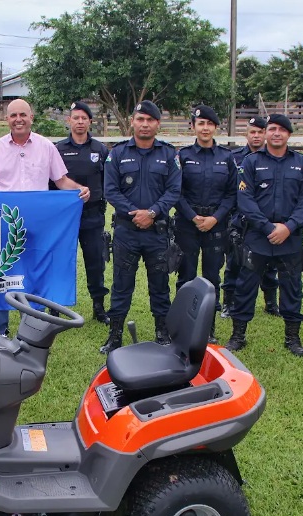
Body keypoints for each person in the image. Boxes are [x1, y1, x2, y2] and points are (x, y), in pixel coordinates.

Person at [0, 98, 90, 335]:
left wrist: (79, 189)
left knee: (34, 273)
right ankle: (0, 330)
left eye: (23, 114)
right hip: (5, 224)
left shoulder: (46, 147)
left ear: (31, 117)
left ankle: (31, 327)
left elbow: (61, 180)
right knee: (0, 274)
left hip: (38, 226)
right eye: (13, 115)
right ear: (7, 119)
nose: (18, 119)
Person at [226, 114, 303, 356]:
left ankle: (292, 338)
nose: (276, 133)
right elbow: (245, 199)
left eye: (282, 130)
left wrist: (288, 227)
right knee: (245, 286)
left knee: (292, 287)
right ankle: (238, 335)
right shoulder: (251, 162)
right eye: (272, 128)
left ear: (289, 134)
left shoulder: (301, 163)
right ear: (265, 133)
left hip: (290, 238)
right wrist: (267, 227)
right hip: (257, 236)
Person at [100, 100, 181, 353]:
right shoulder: (117, 153)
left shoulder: (169, 154)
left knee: (160, 285)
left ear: (157, 124)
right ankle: (115, 336)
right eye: (140, 119)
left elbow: (174, 190)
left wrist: (152, 212)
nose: (144, 124)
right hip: (127, 231)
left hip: (157, 232)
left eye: (150, 120)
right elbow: (110, 190)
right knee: (121, 285)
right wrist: (135, 213)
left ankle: (162, 333)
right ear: (132, 122)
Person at [175, 105, 237, 343]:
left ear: (216, 127)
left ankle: (208, 330)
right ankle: (183, 328)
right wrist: (193, 217)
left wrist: (215, 218)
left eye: (210, 124)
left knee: (212, 280)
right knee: (186, 279)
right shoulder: (182, 156)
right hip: (187, 225)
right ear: (193, 126)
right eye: (200, 123)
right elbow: (175, 191)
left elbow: (232, 194)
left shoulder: (226, 157)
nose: (205, 128)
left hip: (216, 225)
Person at [52, 101, 111, 324]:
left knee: (95, 262)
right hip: (64, 217)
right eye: (75, 118)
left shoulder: (100, 150)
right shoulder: (57, 149)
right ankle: (55, 307)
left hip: (92, 215)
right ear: (69, 121)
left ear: (90, 122)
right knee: (60, 262)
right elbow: (52, 182)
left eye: (84, 118)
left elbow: (107, 182)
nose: (79, 122)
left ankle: (99, 306)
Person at [225, 116, 280, 319]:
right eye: (252, 132)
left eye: (260, 132)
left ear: (265, 134)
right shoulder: (234, 158)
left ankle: (270, 302)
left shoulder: (275, 157)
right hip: (240, 219)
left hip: (266, 219)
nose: (256, 136)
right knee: (234, 261)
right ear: (246, 134)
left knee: (270, 263)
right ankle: (228, 302)